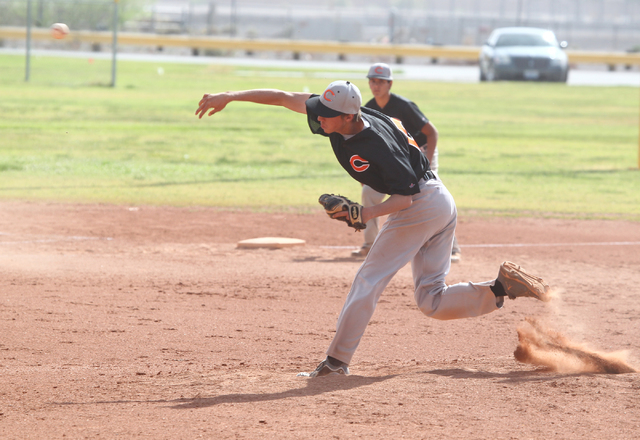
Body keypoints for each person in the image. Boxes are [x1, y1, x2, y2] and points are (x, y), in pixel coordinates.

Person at [195, 80, 551, 378]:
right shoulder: (344, 114)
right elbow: (283, 98)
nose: (319, 116)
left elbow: (405, 199)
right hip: (438, 201)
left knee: (368, 279)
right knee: (431, 301)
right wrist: (230, 96)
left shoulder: (376, 145)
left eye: (327, 115)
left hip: (422, 204)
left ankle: (335, 363)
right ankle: (502, 287)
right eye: (320, 108)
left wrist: (364, 214)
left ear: (349, 117)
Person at [354, 62, 462, 262]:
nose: (376, 85)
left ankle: (452, 248)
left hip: (421, 153)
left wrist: (427, 166)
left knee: (433, 197)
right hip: (395, 159)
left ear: (390, 84)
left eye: (381, 81)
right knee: (369, 192)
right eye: (372, 81)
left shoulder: (404, 106)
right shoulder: (368, 109)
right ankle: (369, 244)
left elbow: (432, 133)